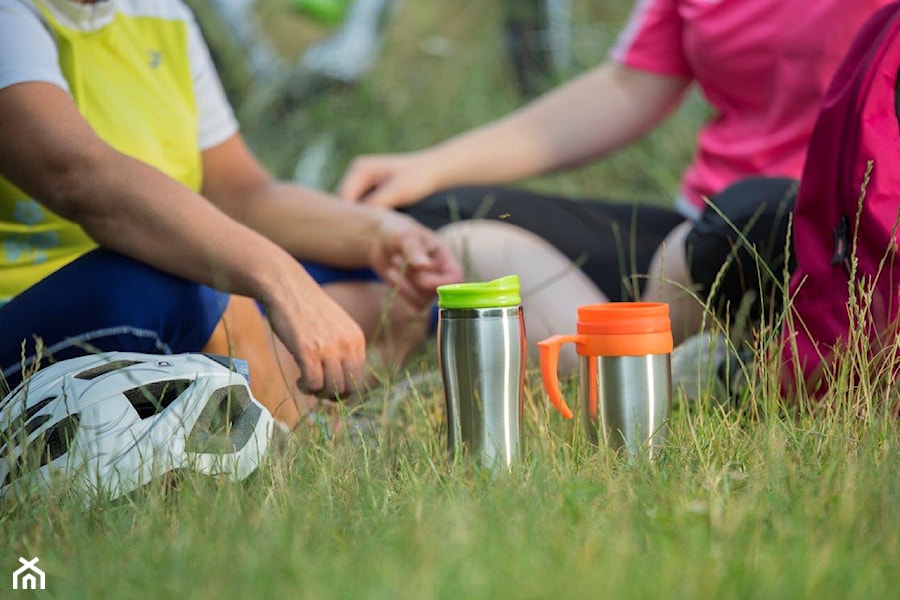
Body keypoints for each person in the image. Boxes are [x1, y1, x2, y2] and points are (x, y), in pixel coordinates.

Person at [336, 0, 891, 372]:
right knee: (433, 216)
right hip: (698, 232)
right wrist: (432, 165)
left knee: (752, 217)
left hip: (832, 242)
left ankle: (638, 367)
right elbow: (631, 85)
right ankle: (659, 369)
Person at [0, 0, 464, 431]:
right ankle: (296, 437)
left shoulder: (162, 13)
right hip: (37, 313)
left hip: (173, 300)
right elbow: (80, 179)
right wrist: (278, 277)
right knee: (205, 280)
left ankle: (253, 381)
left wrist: (380, 235)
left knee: (394, 282)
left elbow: (242, 195)